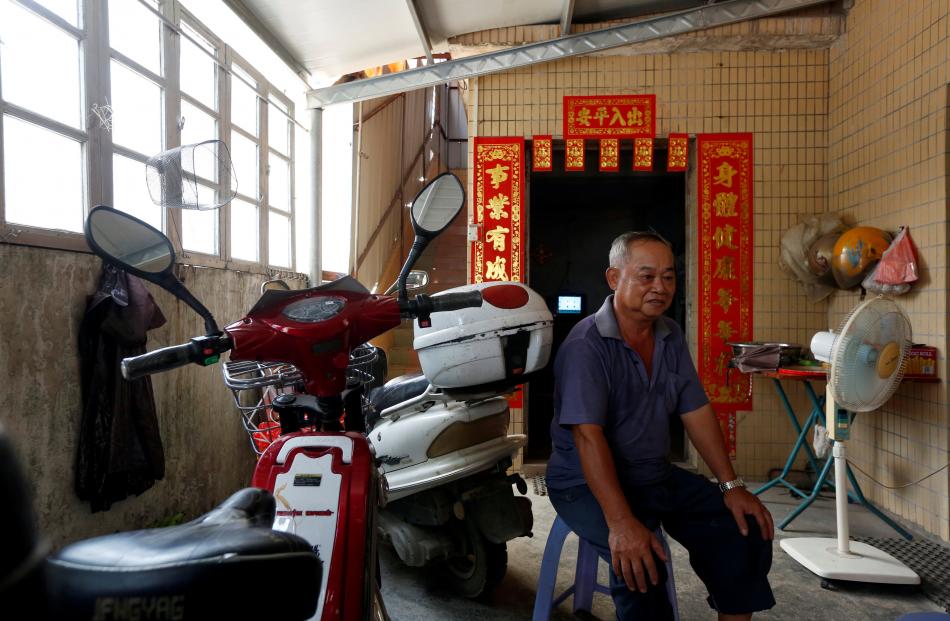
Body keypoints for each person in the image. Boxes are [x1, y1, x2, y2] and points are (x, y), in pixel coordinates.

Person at [546, 231, 775, 621]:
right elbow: (588, 435)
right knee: (641, 565)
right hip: (582, 484)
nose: (660, 287)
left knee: (744, 527)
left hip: (652, 475)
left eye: (668, 277)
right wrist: (620, 523)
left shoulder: (669, 334)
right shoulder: (587, 345)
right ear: (614, 278)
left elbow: (696, 409)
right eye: (647, 276)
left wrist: (731, 485)